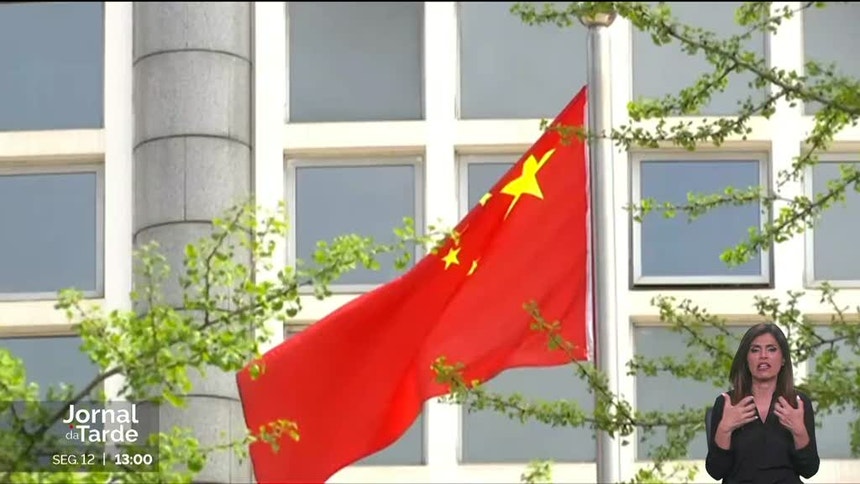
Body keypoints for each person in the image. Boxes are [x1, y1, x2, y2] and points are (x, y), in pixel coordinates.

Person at [705, 323, 820, 483]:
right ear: (746, 359)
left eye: (771, 349)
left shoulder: (797, 403)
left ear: (783, 359)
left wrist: (799, 431)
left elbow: (809, 470)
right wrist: (725, 429)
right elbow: (716, 471)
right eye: (755, 350)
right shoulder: (727, 403)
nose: (763, 356)